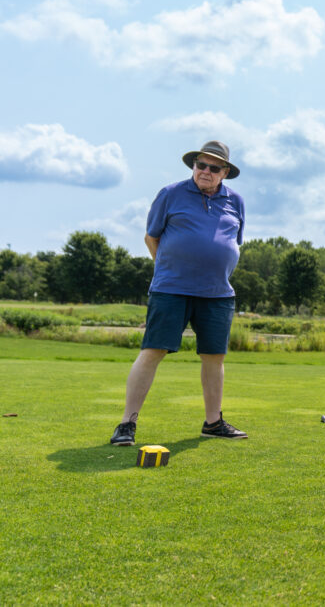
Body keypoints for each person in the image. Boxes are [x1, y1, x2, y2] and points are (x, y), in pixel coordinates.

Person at [110, 141, 248, 446]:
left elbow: (232, 243)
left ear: (225, 172)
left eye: (214, 167)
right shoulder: (170, 194)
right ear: (193, 166)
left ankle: (213, 423)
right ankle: (126, 424)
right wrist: (169, 268)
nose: (206, 171)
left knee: (214, 357)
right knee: (153, 351)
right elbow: (151, 237)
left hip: (217, 294)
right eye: (201, 165)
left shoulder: (235, 201)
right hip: (171, 289)